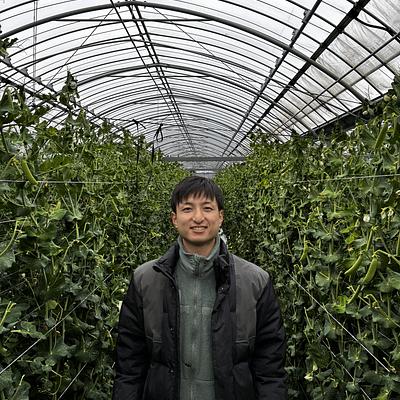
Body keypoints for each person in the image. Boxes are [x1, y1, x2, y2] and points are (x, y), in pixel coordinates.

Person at [112, 175, 287, 400]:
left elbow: (270, 370)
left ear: (221, 217)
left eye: (207, 208)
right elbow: (130, 366)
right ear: (174, 219)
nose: (198, 217)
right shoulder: (145, 280)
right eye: (187, 209)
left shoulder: (255, 281)